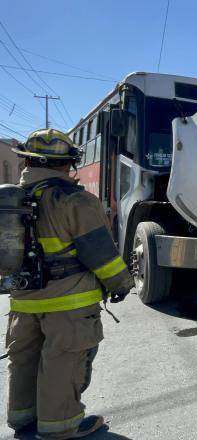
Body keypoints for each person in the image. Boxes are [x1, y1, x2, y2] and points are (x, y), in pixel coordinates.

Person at [6, 129, 134, 439]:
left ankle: (23, 418)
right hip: (69, 305)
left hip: (22, 301)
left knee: (24, 359)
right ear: (67, 164)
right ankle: (61, 426)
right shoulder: (75, 200)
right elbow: (101, 255)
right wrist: (121, 284)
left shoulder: (12, 201)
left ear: (27, 161)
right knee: (63, 362)